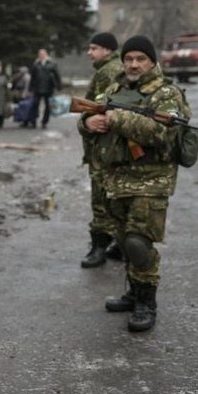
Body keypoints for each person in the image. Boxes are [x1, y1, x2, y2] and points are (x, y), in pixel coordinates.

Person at [79, 35, 191, 332]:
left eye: (141, 59)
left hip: (152, 181)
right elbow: (89, 112)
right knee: (123, 241)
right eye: (129, 58)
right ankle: (133, 293)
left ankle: (147, 303)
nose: (134, 64)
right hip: (115, 181)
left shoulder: (167, 94)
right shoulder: (115, 88)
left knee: (138, 243)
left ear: (153, 62)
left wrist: (117, 119)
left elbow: (162, 133)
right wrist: (88, 123)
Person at [79, 32, 124, 268]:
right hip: (109, 146)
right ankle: (117, 244)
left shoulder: (109, 71)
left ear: (107, 50)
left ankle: (100, 247)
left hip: (105, 147)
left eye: (94, 48)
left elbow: (99, 108)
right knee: (112, 197)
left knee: (102, 198)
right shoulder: (110, 68)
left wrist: (87, 120)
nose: (89, 52)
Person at [27, 48, 61, 129]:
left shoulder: (52, 63)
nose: (41, 55)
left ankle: (44, 122)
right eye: (40, 54)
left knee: (48, 106)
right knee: (35, 105)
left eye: (43, 54)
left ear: (46, 54)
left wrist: (58, 86)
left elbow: (57, 75)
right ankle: (33, 121)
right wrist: (30, 88)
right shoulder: (36, 64)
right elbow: (33, 77)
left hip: (48, 88)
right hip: (37, 88)